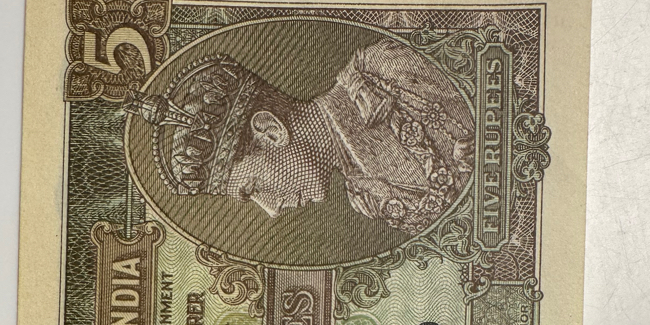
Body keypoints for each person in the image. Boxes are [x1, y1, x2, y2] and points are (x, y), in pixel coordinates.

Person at [127, 38, 474, 237]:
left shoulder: (382, 71)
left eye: (252, 188)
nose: (271, 209)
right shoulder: (362, 196)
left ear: (271, 131)